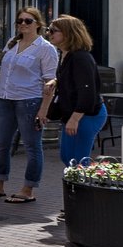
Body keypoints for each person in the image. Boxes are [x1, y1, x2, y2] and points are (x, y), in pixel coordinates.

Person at [0, 6, 57, 204]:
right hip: (5, 99)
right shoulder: (12, 44)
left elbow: (50, 81)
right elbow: (3, 73)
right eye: (20, 21)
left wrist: (44, 108)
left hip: (29, 101)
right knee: (0, 144)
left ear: (38, 24)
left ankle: (28, 189)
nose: (23, 24)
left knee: (31, 145)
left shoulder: (46, 49)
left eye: (28, 21)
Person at [44, 15, 105, 170]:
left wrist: (75, 118)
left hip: (86, 114)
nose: (49, 34)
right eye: (48, 30)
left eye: (53, 31)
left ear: (68, 33)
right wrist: (55, 81)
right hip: (71, 113)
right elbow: (72, 78)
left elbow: (87, 90)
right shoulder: (65, 55)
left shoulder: (80, 58)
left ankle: (84, 192)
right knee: (66, 156)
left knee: (78, 161)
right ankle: (77, 190)